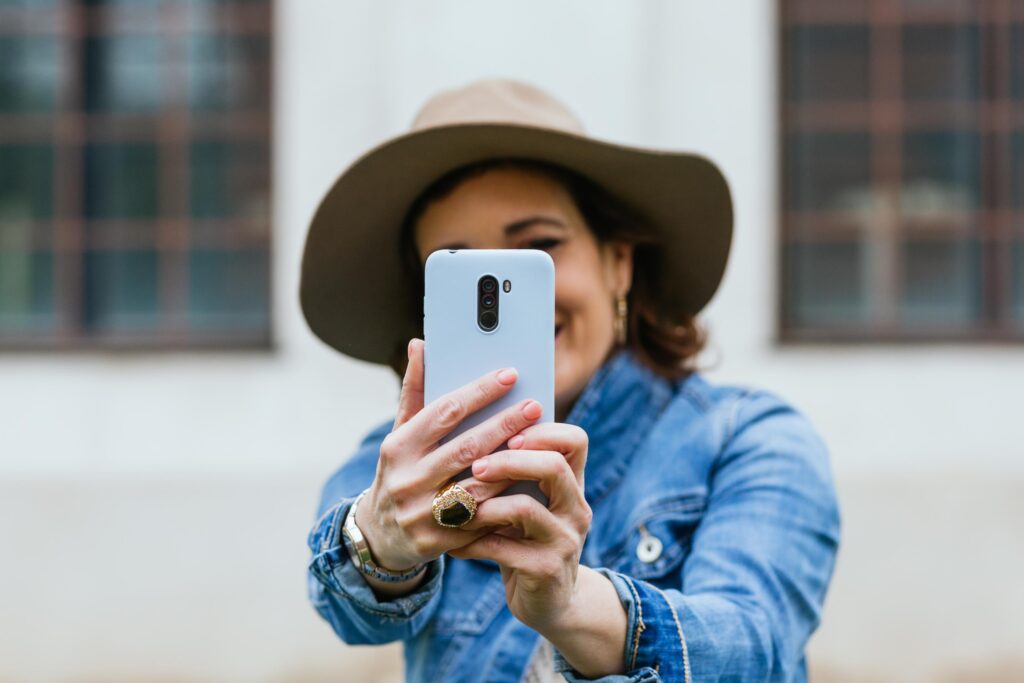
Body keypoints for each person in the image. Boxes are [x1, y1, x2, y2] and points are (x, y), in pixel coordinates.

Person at [302, 79, 840, 683]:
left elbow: (754, 648)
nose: (502, 303)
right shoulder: (398, 465)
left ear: (618, 263)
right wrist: (380, 541)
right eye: (462, 265)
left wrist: (570, 603)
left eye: (538, 248)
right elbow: (348, 609)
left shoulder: (749, 440)